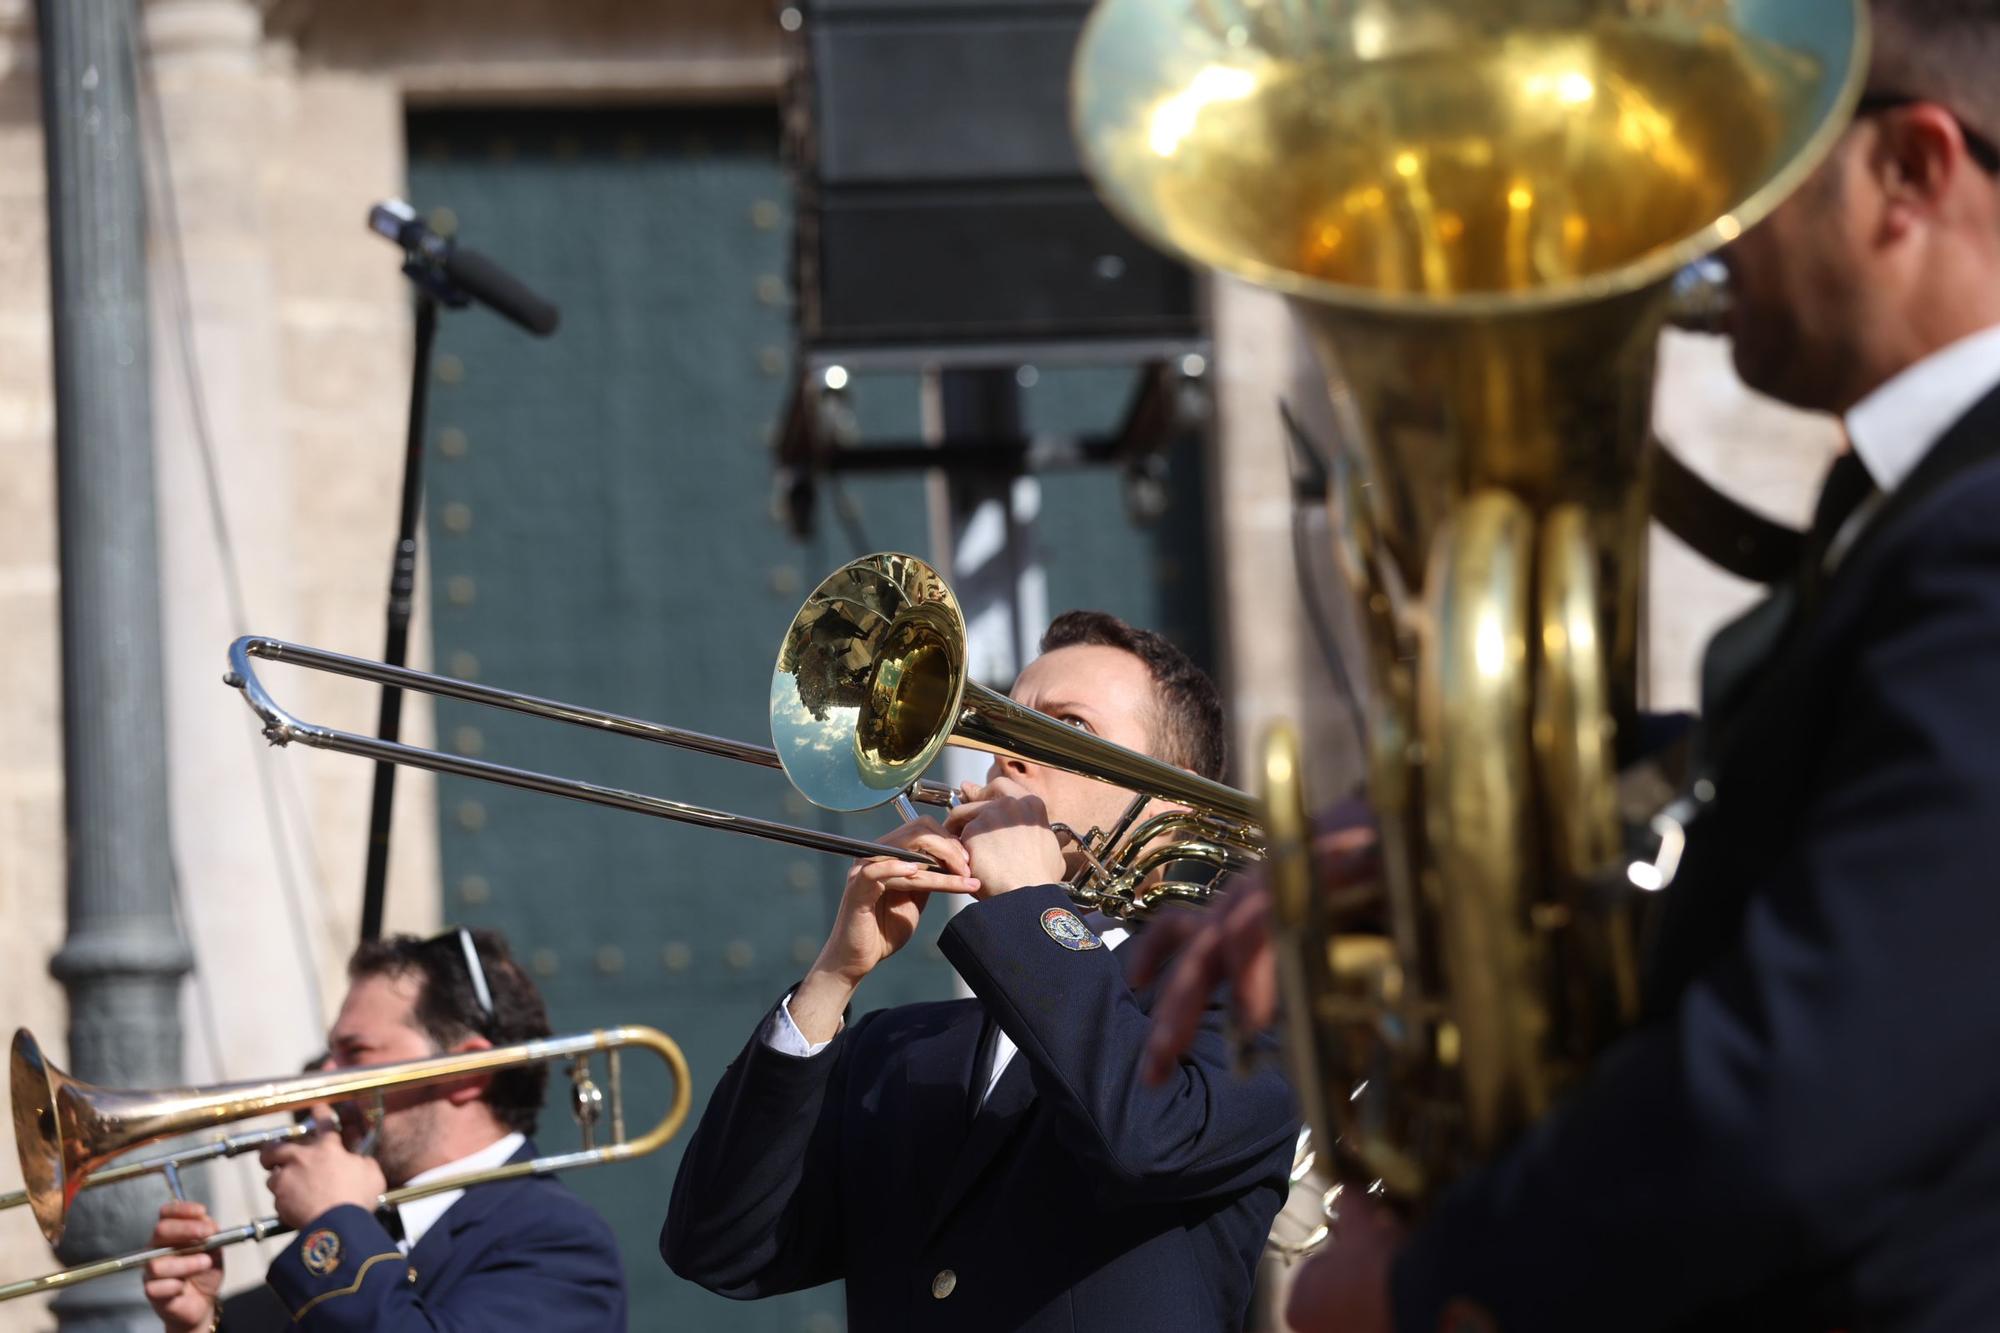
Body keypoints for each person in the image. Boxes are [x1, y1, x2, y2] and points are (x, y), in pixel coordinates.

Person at [1141, 1, 2000, 1329]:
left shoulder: (1980, 531)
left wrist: (1441, 1279)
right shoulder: (1917, 508)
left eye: (1753, 170)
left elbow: (1809, 1084)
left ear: (1914, 173)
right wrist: (1469, 842)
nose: (1707, 227)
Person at [662, 610, 1301, 1331]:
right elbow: (719, 1245)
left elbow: (1143, 1137)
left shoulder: (1258, 1005)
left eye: (1070, 727)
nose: (1005, 754)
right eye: (1007, 723)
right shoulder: (898, 1046)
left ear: (1172, 800)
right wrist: (831, 982)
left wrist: (1031, 904)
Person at [141, 928, 627, 1332]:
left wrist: (333, 1217)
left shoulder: (561, 1244)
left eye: (356, 1054)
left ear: (466, 1073)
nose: (318, 1088)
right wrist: (200, 1325)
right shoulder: (363, 1234)